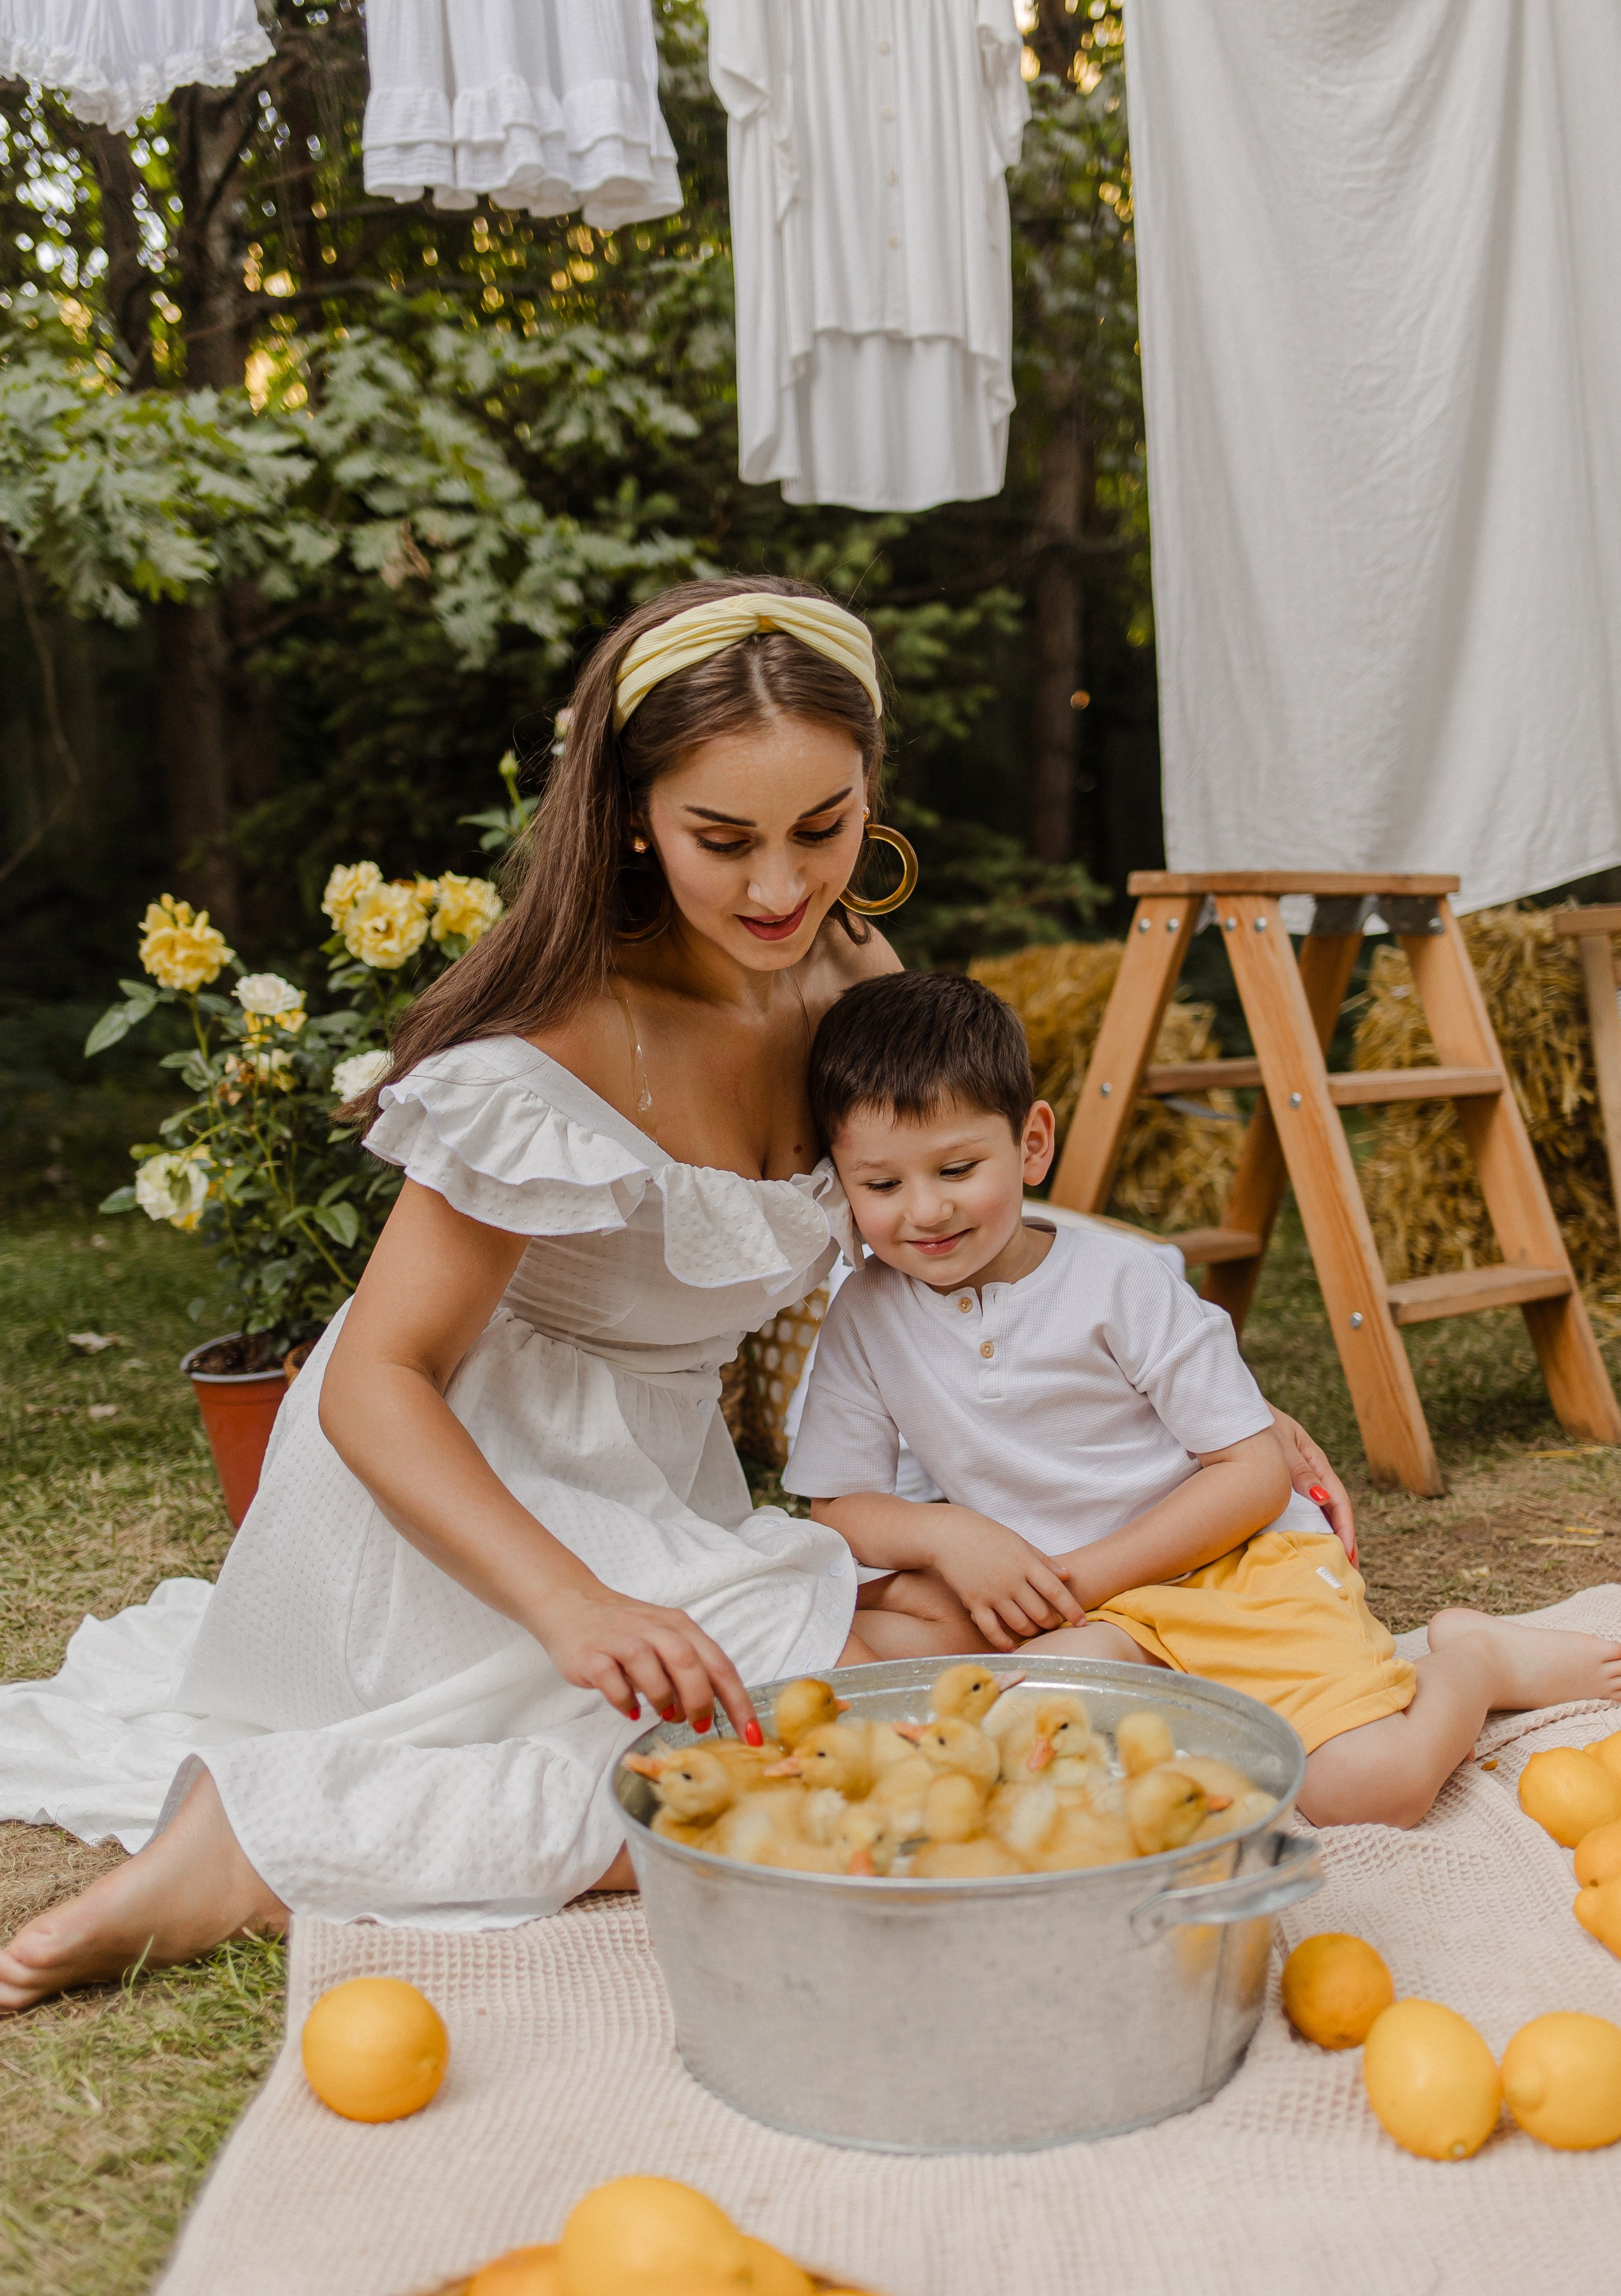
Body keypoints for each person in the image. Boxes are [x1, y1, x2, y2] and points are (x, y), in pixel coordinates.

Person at [0, 580, 1351, 2013]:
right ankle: (262, 1843)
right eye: (724, 840)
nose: (779, 889)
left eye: (819, 831)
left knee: (953, 1657)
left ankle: (318, 1818)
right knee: (812, 1756)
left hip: (658, 1481)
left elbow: (944, 1205)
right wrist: (572, 1604)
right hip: (467, 1505)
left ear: (866, 793)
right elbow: (372, 1384)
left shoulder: (848, 977)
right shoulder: (564, 1033)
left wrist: (1207, 1389)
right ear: (634, 814)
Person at [783, 971, 1621, 1828]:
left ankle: (1473, 1663)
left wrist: (1086, 1576)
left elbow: (1254, 1473)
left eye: (957, 1167)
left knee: (1370, 1789)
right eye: (881, 1185)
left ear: (1033, 1144)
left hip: (1235, 1569)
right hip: (1095, 1612)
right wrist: (946, 1533)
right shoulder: (866, 1312)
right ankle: (1197, 1713)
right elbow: (840, 1506)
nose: (924, 1210)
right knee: (1010, 1743)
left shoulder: (1121, 1283)